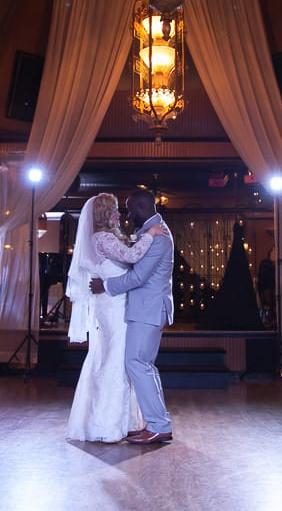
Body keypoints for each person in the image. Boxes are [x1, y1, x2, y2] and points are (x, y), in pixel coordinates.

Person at [66, 193, 165, 443]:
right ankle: (107, 424)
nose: (120, 214)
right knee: (116, 363)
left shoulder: (104, 239)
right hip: (114, 310)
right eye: (115, 210)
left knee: (118, 361)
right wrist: (150, 235)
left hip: (114, 306)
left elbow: (127, 250)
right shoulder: (103, 238)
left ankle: (126, 421)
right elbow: (132, 257)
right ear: (105, 214)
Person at [90, 189, 175, 445]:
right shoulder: (153, 231)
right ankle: (158, 422)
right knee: (144, 365)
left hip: (148, 309)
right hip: (146, 308)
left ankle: (160, 425)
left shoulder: (158, 236)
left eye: (128, 209)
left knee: (136, 363)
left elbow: (139, 277)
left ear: (140, 207)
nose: (126, 215)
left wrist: (105, 286)